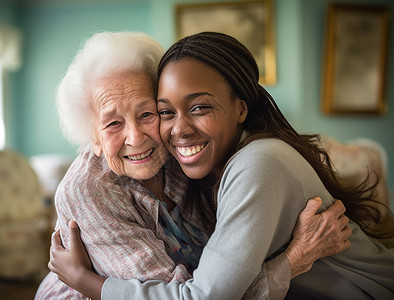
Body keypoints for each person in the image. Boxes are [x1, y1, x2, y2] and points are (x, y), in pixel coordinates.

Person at [48, 32, 394, 299]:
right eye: (112, 124)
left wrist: (85, 279)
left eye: (149, 113)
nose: (137, 137)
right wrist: (292, 262)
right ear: (91, 137)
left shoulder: (228, 163)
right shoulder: (91, 189)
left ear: (241, 108)